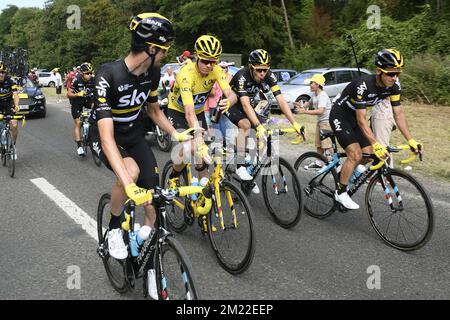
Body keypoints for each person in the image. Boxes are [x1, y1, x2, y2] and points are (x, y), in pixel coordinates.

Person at [88, 13, 188, 264]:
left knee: (153, 199)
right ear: (152, 48)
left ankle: (145, 257)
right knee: (130, 172)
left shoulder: (152, 74)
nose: (166, 54)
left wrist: (177, 134)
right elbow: (107, 137)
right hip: (108, 137)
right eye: (165, 49)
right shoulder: (107, 75)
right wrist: (128, 183)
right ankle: (113, 228)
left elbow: (153, 111)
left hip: (134, 135)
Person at [329, 48, 422, 210]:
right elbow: (361, 119)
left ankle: (346, 171)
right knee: (355, 153)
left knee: (369, 154)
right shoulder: (363, 86)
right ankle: (341, 192)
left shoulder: (394, 86)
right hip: (340, 114)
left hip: (357, 117)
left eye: (398, 74)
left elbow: (398, 114)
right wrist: (375, 142)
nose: (395, 78)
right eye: (390, 74)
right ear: (378, 71)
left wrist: (411, 140)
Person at [225, 49, 303, 193]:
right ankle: (240, 165)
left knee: (266, 128)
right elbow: (245, 105)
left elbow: (280, 100)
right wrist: (257, 126)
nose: (262, 73)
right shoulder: (242, 76)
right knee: (246, 125)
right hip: (233, 103)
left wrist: (294, 123)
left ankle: (251, 168)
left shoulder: (269, 75)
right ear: (251, 67)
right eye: (259, 70)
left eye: (265, 70)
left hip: (249, 104)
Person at [167, 35, 237, 187]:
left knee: (203, 155)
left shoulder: (216, 70)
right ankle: (174, 175)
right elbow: (189, 112)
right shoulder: (186, 74)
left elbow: (231, 94)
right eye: (205, 61)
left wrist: (229, 101)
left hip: (198, 111)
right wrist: (198, 138)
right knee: (190, 147)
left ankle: (203, 197)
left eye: (213, 61)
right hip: (178, 111)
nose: (210, 66)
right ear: (197, 57)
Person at [294, 74, 333, 162]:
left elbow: (320, 111)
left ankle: (332, 163)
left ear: (318, 85)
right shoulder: (315, 94)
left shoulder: (322, 95)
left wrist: (305, 111)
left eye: (312, 83)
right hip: (320, 122)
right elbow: (309, 103)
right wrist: (301, 106)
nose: (310, 84)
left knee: (327, 145)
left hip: (326, 123)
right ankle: (318, 162)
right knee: (319, 144)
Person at [205, 61, 235, 149]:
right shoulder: (229, 77)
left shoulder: (215, 78)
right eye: (222, 67)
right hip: (225, 104)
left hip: (215, 104)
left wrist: (205, 89)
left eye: (224, 67)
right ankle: (226, 145)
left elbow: (213, 92)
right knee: (225, 124)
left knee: (217, 125)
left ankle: (220, 145)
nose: (223, 69)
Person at [67, 62, 95, 156]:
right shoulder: (76, 80)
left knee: (97, 108)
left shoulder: (93, 80)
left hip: (87, 100)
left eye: (91, 72)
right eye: (87, 73)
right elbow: (68, 94)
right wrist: (77, 94)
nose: (90, 75)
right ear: (82, 73)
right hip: (76, 101)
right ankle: (79, 147)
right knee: (78, 122)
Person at [0, 61, 20, 159]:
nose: (1, 74)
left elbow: (15, 94)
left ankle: (13, 147)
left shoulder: (10, 81)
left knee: (14, 124)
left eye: (3, 72)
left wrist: (16, 105)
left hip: (8, 103)